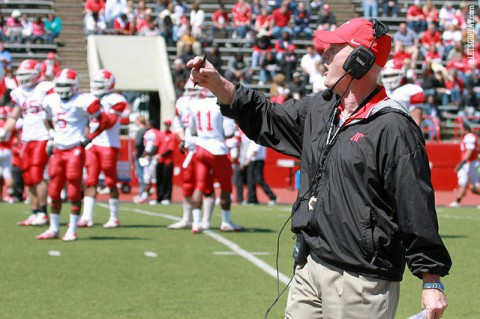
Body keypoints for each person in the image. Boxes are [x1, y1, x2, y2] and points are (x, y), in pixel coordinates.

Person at [188, 17, 451, 319]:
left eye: (333, 48)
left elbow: (414, 204)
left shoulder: (393, 127)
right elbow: (267, 117)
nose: (323, 55)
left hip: (361, 278)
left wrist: (432, 279)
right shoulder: (320, 109)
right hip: (310, 266)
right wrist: (218, 84)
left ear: (359, 60)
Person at [37, 68, 109, 241]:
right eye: (60, 85)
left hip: (75, 149)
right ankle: (54, 229)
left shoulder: (83, 101)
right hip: (58, 149)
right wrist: (52, 135)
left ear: (75, 86)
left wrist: (89, 137)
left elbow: (103, 120)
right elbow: (46, 118)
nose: (62, 88)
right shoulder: (50, 100)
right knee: (54, 191)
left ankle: (73, 229)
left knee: (73, 190)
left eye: (66, 85)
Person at [0, 59, 54, 226]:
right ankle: (35, 212)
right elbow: (14, 116)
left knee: (38, 175)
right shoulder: (18, 92)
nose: (23, 79)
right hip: (27, 138)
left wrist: (54, 133)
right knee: (28, 177)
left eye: (26, 75)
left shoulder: (45, 89)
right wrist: (3, 131)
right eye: (21, 75)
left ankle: (44, 213)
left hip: (42, 136)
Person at [187, 90, 243, 233]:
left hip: (200, 147)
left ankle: (196, 223)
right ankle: (225, 221)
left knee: (199, 186)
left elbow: (192, 129)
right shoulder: (221, 103)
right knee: (226, 187)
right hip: (217, 148)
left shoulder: (194, 104)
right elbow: (229, 131)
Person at [78, 69, 128, 228]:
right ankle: (86, 217)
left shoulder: (116, 99)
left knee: (110, 180)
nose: (96, 87)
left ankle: (114, 217)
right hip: (92, 145)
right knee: (90, 179)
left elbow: (108, 123)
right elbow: (84, 121)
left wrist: (90, 135)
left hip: (108, 143)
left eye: (100, 84)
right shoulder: (88, 98)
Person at [381, 59, 426, 125]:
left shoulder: (412, 90)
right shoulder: (380, 90)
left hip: (403, 129)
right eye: (386, 76)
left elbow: (416, 123)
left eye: (394, 74)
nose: (390, 78)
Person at [449, 120, 480, 207]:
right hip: (470, 163)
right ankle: (457, 202)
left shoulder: (469, 137)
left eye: (462, 129)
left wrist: (461, 163)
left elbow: (469, 152)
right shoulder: (468, 137)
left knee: (475, 185)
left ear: (466, 130)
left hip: (471, 163)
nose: (460, 131)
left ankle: (457, 202)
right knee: (463, 183)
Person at [245, 140, 277, 205]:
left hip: (256, 161)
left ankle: (272, 197)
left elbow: (255, 151)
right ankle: (252, 199)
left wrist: (248, 160)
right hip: (254, 161)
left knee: (259, 179)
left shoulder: (257, 139)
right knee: (251, 181)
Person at [152, 118, 176, 205]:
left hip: (168, 161)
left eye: (167, 124)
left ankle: (167, 197)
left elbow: (170, 150)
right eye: (165, 124)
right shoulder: (160, 135)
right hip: (160, 161)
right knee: (159, 180)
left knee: (167, 180)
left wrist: (160, 155)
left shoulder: (172, 136)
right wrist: (150, 154)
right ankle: (159, 197)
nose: (166, 126)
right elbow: (156, 146)